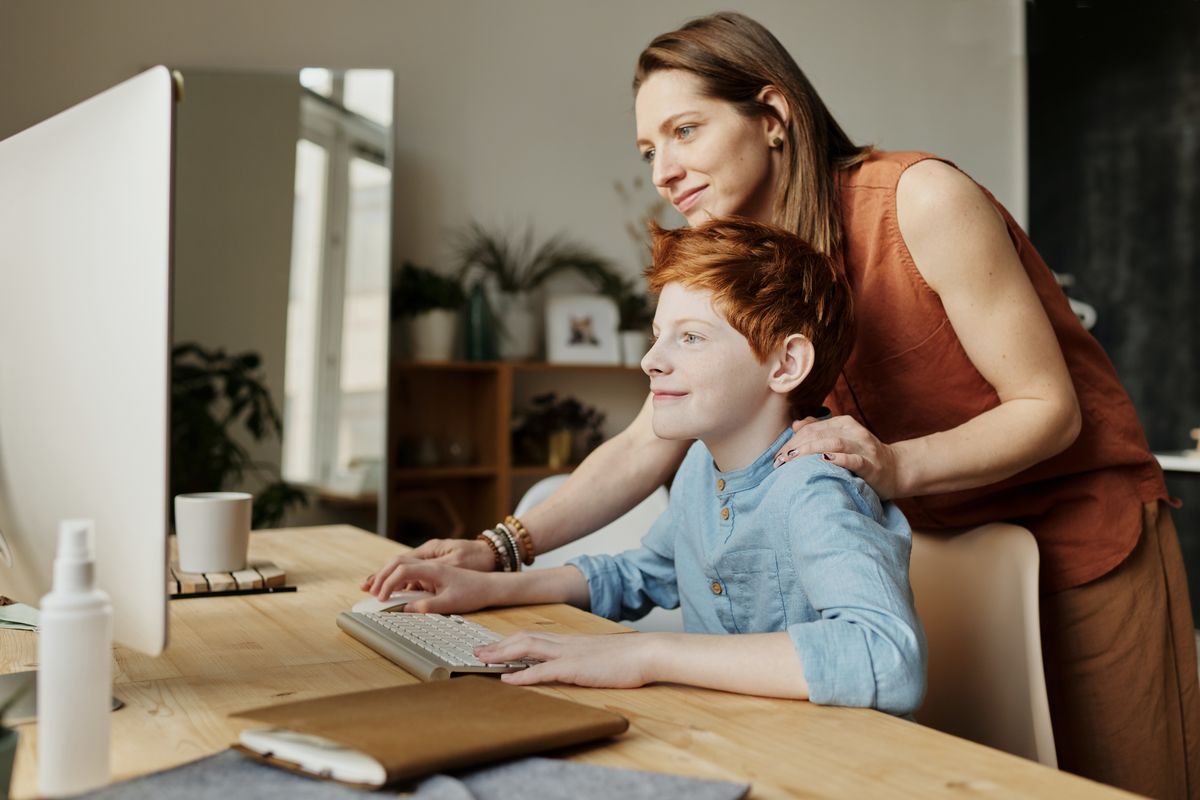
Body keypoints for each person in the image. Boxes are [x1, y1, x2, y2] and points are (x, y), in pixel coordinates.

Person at [368, 12, 1198, 797]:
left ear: (773, 113)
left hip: (1082, 538)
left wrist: (894, 463)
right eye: (648, 148)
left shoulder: (920, 199)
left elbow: (1049, 409)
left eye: (685, 131)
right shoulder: (753, 263)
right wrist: (499, 548)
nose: (662, 171)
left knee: (1123, 784)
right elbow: (645, 441)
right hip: (938, 545)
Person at [368, 218, 926, 712]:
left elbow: (886, 656)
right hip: (724, 733)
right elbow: (645, 574)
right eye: (660, 335)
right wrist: (487, 587)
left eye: (689, 338)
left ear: (785, 363)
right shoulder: (698, 471)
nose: (651, 360)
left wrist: (647, 653)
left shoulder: (815, 488)